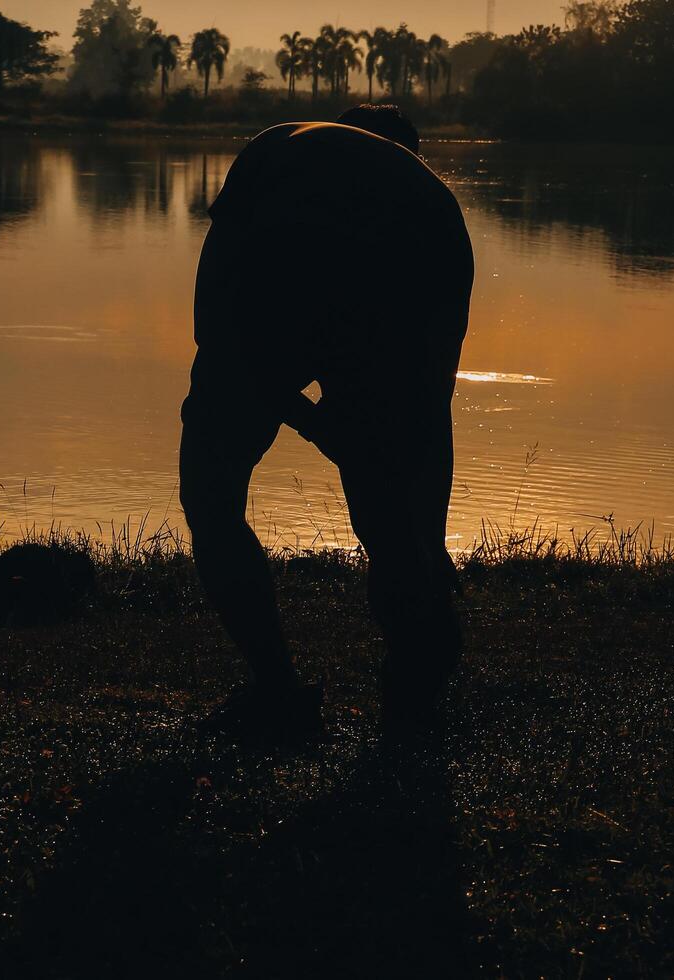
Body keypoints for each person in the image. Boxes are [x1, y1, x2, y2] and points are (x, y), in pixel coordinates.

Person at [179, 105, 475, 742]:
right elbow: (430, 409)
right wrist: (428, 532)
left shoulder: (276, 148)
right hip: (421, 257)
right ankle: (413, 693)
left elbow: (219, 327)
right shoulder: (426, 197)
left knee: (212, 493)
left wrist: (313, 423)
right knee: (391, 519)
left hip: (299, 270)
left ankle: (278, 691)